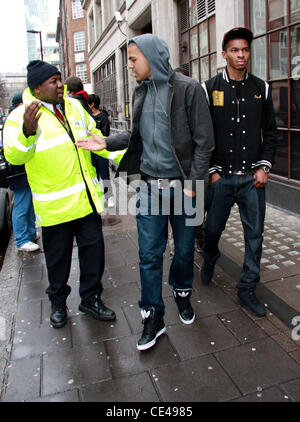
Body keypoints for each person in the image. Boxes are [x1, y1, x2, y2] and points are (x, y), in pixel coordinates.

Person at [76, 34, 214, 351]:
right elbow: (136, 136)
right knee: (149, 255)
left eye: (133, 59)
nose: (129, 65)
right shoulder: (141, 91)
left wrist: (195, 184)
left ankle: (182, 291)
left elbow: (205, 143)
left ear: (151, 56)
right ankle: (153, 316)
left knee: (183, 252)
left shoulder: (188, 89)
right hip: (150, 186)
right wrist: (105, 142)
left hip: (185, 189)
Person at [3, 60, 124, 329]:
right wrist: (27, 131)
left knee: (94, 255)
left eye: (60, 79)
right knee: (58, 262)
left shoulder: (74, 107)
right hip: (56, 207)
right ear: (36, 88)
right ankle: (58, 304)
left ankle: (90, 299)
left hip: (87, 202)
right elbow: (13, 154)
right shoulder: (20, 117)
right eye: (53, 81)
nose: (61, 85)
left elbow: (95, 140)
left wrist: (128, 157)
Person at [200, 27, 277, 317]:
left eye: (245, 49)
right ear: (224, 54)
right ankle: (209, 258)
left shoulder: (262, 88)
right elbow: (202, 134)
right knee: (211, 230)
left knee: (254, 235)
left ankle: (247, 288)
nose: (241, 55)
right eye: (235, 50)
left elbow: (270, 133)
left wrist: (264, 167)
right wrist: (212, 172)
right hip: (220, 179)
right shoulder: (209, 89)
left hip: (251, 180)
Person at [3, 93, 39, 252]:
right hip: (18, 171)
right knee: (22, 204)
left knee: (29, 203)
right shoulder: (14, 119)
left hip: (24, 170)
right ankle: (22, 239)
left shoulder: (18, 118)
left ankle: (30, 233)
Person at [88, 94, 114, 207]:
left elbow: (105, 133)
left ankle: (109, 198)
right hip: (90, 150)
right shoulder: (87, 116)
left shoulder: (103, 116)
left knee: (105, 175)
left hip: (102, 151)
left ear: (92, 104)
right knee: (94, 176)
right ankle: (96, 198)